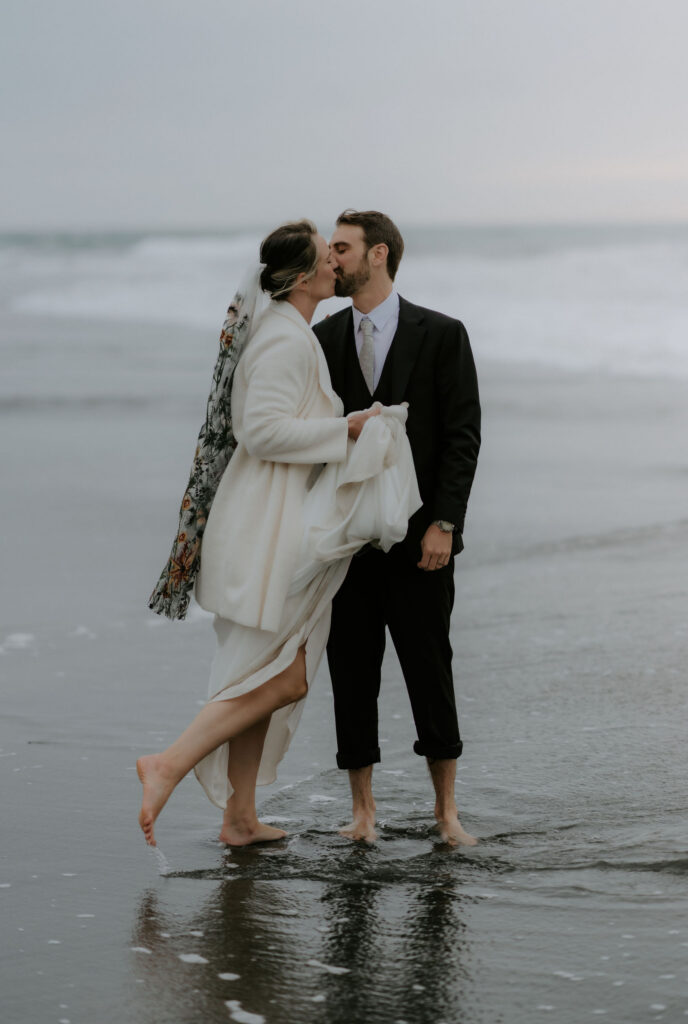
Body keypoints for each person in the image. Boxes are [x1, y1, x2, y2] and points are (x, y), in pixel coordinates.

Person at [139, 219, 418, 847]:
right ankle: (168, 765)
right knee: (282, 676)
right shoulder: (286, 342)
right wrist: (344, 430)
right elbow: (261, 432)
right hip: (266, 523)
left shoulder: (288, 332)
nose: (334, 267)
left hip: (271, 516)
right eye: (325, 258)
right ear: (299, 277)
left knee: (260, 669)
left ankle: (239, 818)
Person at [313, 210, 481, 846]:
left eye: (343, 248)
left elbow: (463, 438)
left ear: (378, 254)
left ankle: (446, 813)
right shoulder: (323, 339)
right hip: (346, 542)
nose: (333, 260)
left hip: (421, 545)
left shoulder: (441, 334)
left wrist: (444, 523)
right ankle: (362, 814)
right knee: (350, 672)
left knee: (429, 670)